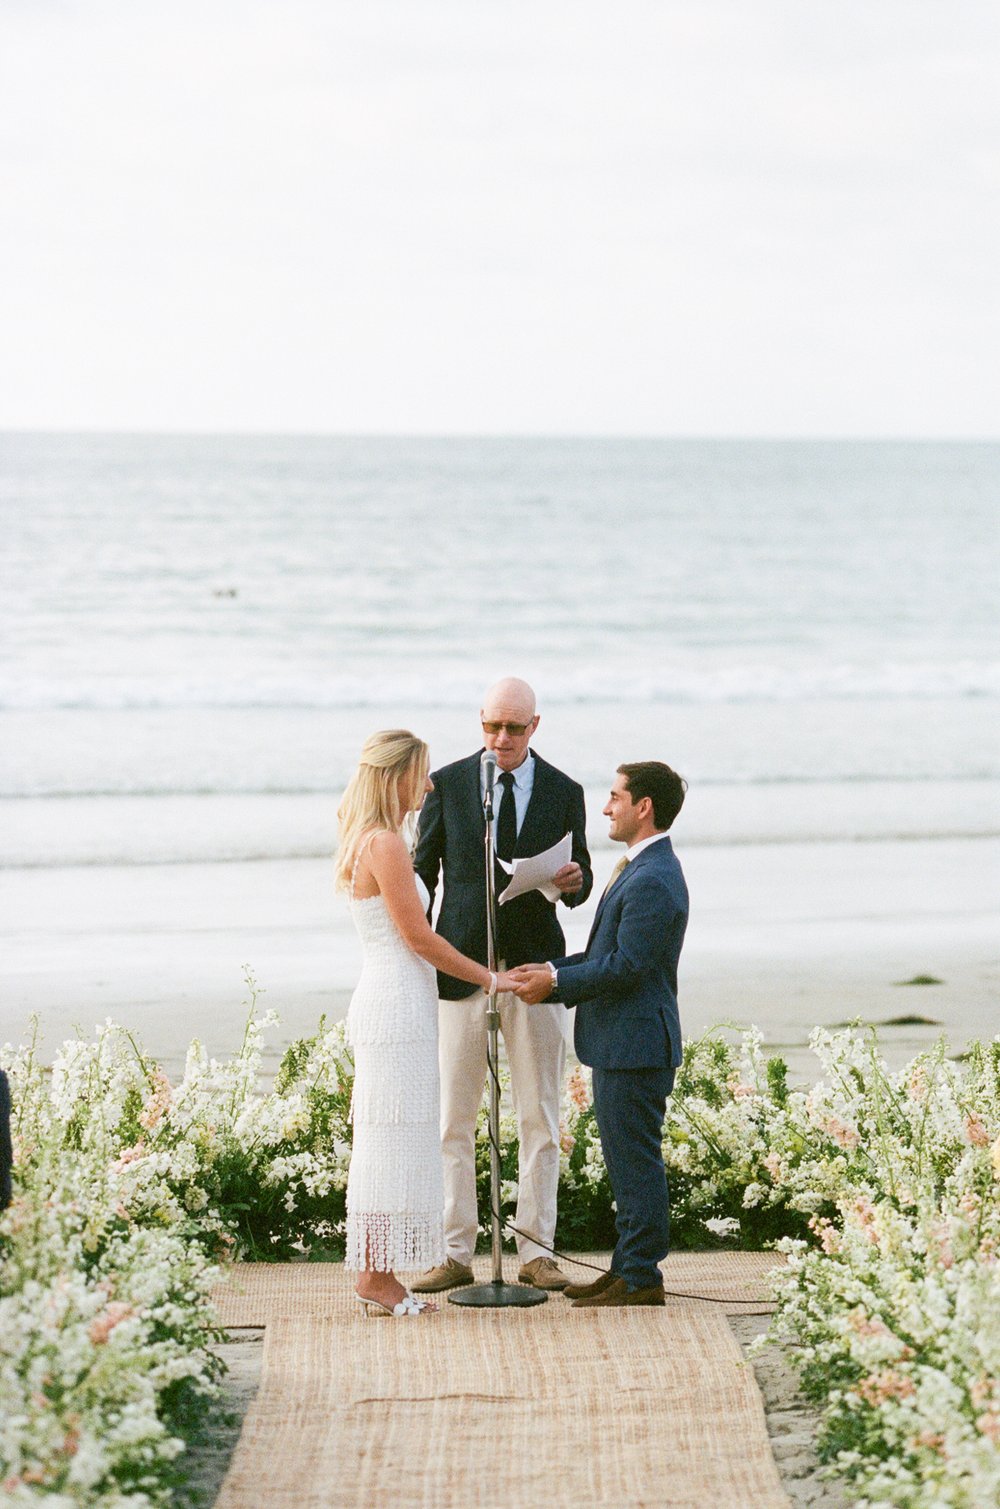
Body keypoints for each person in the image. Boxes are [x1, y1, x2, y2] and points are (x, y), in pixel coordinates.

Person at [411, 678, 593, 1293]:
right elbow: (421, 871)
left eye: (514, 728)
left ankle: (537, 1250)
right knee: (453, 1118)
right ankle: (454, 1250)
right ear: (480, 723)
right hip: (461, 965)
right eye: (492, 726)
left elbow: (583, 874)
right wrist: (419, 949)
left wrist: (573, 880)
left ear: (535, 726)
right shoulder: (451, 782)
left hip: (534, 971)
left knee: (538, 1113)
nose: (502, 739)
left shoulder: (566, 790)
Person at [336, 729, 518, 1318]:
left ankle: (377, 1270)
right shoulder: (384, 844)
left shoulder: (374, 839)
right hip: (395, 1002)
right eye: (423, 773)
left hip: (400, 999)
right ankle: (374, 1274)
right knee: (390, 1137)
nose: (432, 783)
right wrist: (490, 977)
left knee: (396, 1135)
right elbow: (419, 937)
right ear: (396, 777)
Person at [511, 761, 688, 1307]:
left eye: (615, 798)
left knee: (636, 1162)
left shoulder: (654, 877)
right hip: (624, 1040)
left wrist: (557, 981)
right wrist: (550, 969)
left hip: (636, 1044)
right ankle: (628, 1269)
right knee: (625, 1161)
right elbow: (609, 956)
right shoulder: (640, 868)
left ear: (644, 807)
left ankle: (640, 1277)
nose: (606, 808)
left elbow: (628, 966)